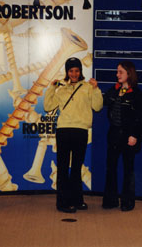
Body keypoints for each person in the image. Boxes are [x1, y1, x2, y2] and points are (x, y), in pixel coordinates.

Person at [44, 57, 103, 213]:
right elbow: (47, 106)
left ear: (80, 71)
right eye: (71, 71)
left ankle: (77, 200)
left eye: (77, 70)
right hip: (63, 130)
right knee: (63, 167)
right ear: (67, 72)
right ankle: (62, 203)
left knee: (77, 168)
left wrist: (96, 89)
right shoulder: (61, 89)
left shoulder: (88, 87)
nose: (74, 74)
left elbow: (97, 107)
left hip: (80, 131)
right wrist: (51, 88)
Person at [102, 61, 142, 212]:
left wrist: (135, 135)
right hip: (114, 134)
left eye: (120, 72)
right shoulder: (113, 91)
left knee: (128, 169)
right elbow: (101, 102)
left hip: (129, 136)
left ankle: (127, 202)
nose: (117, 75)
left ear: (129, 73)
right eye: (117, 72)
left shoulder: (137, 94)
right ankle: (110, 200)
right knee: (110, 168)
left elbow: (141, 118)